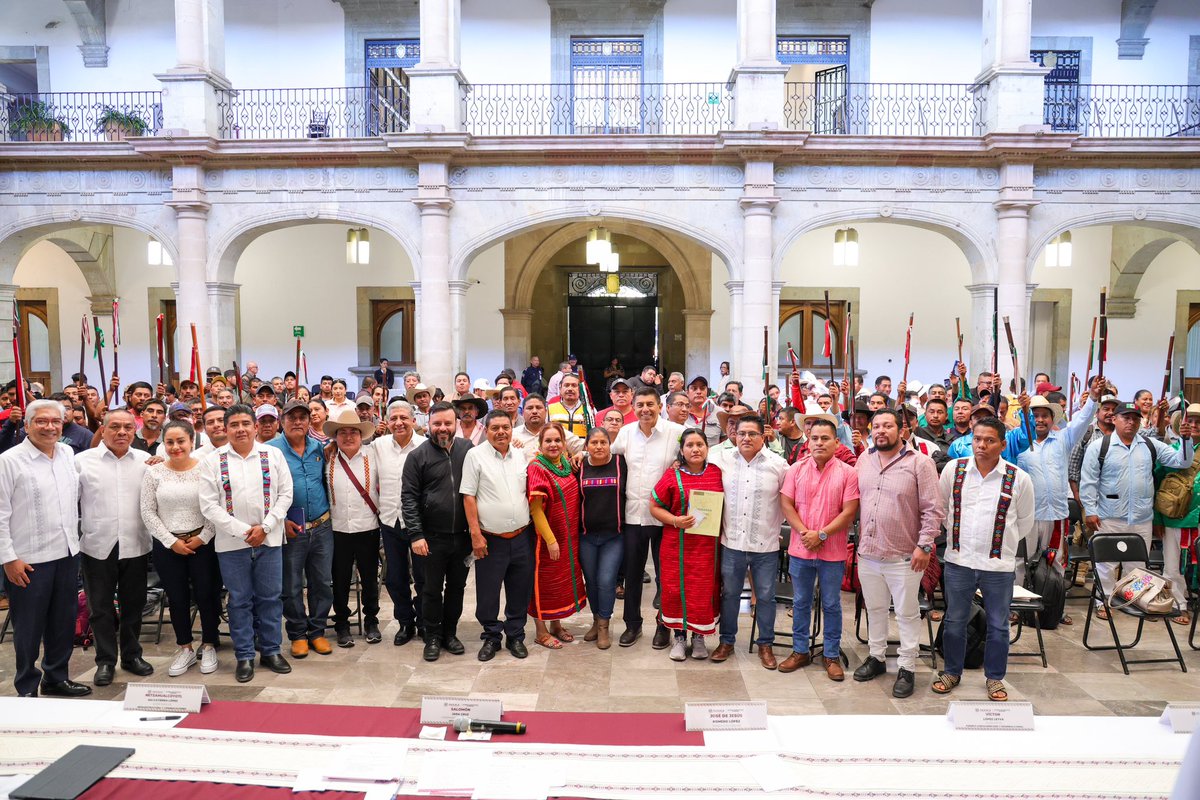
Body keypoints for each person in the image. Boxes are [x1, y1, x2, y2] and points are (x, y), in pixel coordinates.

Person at [932, 417, 1035, 703]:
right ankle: (952, 671)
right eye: (977, 439)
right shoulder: (955, 470)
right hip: (959, 562)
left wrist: (1001, 546)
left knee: (999, 625)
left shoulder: (1018, 478)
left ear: (1003, 444)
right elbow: (942, 510)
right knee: (955, 620)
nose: (981, 445)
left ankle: (994, 678)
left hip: (998, 567)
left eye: (989, 440)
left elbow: (1024, 522)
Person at [198, 404, 294, 683]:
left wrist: (265, 527)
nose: (240, 429)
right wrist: (244, 531)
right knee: (239, 601)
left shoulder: (272, 454)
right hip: (231, 543)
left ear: (255, 427)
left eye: (245, 424)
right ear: (225, 429)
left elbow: (286, 494)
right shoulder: (213, 461)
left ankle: (271, 650)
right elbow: (209, 505)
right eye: (234, 424)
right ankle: (244, 655)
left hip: (270, 538)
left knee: (271, 598)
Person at [0, 400, 91, 697]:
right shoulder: (10, 461)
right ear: (27, 425)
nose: (49, 426)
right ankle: (26, 685)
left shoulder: (67, 453)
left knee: (62, 622)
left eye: (55, 421)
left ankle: (56, 677)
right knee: (28, 627)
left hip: (66, 553)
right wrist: (8, 558)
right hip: (28, 559)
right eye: (41, 421)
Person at [853, 408, 945, 698]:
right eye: (876, 426)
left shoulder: (921, 463)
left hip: (905, 555)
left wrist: (925, 545)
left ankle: (907, 666)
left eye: (888, 426)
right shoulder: (863, 460)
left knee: (906, 613)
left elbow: (934, 509)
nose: (881, 430)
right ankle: (877, 657)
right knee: (876, 608)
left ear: (902, 431)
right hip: (868, 553)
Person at [1080, 400, 1194, 620]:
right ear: (1115, 419)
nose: (1131, 422)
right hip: (1109, 515)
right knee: (1106, 563)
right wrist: (1091, 510)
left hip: (1141, 517)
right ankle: (1103, 601)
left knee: (1138, 564)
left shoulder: (1150, 445)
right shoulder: (1100, 447)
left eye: (1135, 418)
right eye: (1126, 417)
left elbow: (1182, 462)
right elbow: (1089, 481)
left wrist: (1186, 440)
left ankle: (1135, 600)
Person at [75, 408, 154, 686]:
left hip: (136, 542)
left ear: (135, 431)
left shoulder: (146, 461)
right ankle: (105, 661)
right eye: (115, 427)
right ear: (103, 429)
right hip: (97, 545)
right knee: (100, 608)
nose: (122, 432)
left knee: (135, 605)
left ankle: (132, 656)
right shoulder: (82, 462)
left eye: (128, 428)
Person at [778, 417, 860, 680]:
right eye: (814, 438)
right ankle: (800, 650)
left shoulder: (848, 473)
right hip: (801, 550)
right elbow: (787, 504)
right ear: (808, 440)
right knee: (801, 602)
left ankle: (831, 654)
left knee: (832, 604)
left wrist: (822, 534)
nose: (819, 443)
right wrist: (804, 532)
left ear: (837, 442)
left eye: (825, 438)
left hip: (832, 553)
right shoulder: (796, 469)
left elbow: (849, 512)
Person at [141, 420, 222, 678]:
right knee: (176, 599)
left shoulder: (206, 470)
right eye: (170, 442)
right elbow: (147, 512)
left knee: (207, 595)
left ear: (191, 442)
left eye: (181, 441)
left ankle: (208, 643)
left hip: (203, 543)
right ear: (164, 444)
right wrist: (170, 541)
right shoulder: (154, 473)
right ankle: (185, 647)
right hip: (168, 545)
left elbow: (214, 507)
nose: (176, 447)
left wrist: (203, 537)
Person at [709, 414, 788, 669]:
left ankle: (765, 644)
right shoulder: (720, 460)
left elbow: (789, 502)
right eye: (741, 433)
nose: (745, 438)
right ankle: (727, 641)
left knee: (765, 596)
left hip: (765, 544)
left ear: (763, 436)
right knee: (730, 594)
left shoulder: (779, 465)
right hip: (731, 542)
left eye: (752, 433)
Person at [611, 388, 685, 647]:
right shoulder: (626, 433)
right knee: (632, 574)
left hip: (665, 517)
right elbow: (607, 457)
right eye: (640, 404)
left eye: (650, 404)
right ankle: (633, 625)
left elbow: (692, 459)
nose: (645, 409)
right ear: (634, 405)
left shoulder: (675, 433)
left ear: (659, 406)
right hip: (633, 515)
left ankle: (663, 625)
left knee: (666, 575)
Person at [402, 402, 473, 661]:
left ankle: (450, 634)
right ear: (428, 424)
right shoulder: (417, 456)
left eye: (447, 423)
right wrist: (416, 535)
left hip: (462, 537)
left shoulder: (468, 450)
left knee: (457, 588)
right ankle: (432, 637)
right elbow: (408, 498)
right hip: (431, 538)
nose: (442, 428)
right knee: (431, 590)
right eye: (437, 424)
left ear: (456, 424)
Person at [1015, 384, 1098, 597]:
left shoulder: (1063, 440)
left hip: (1057, 516)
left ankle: (1055, 606)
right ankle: (1019, 605)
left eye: (1045, 416)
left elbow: (1083, 419)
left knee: (1057, 561)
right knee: (1021, 563)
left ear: (1053, 419)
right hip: (1029, 517)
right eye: (1035, 416)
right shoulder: (1020, 446)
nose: (1040, 420)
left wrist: (1094, 398)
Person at [462, 410, 533, 661]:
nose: (501, 432)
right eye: (495, 428)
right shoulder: (475, 455)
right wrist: (475, 535)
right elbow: (468, 496)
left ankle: (515, 635)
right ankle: (492, 636)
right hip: (490, 539)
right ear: (487, 429)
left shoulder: (520, 455)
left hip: (522, 537)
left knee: (519, 590)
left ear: (512, 427)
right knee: (488, 592)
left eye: (506, 427)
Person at [267, 400, 334, 659]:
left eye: (302, 417)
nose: (298, 422)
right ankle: (297, 634)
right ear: (282, 421)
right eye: (292, 417)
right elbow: (265, 492)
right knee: (291, 585)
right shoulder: (271, 450)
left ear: (309, 421)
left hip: (322, 526)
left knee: (321, 582)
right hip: (290, 529)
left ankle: (317, 631)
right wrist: (279, 521)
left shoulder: (319, 448)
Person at [651, 428, 722, 661]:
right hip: (676, 546)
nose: (695, 449)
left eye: (700, 444)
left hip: (707, 548)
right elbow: (654, 506)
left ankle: (699, 637)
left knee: (702, 591)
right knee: (676, 591)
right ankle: (680, 638)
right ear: (681, 450)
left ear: (707, 448)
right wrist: (674, 520)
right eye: (690, 445)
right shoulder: (672, 476)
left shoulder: (716, 473)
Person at [323, 409, 382, 647]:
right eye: (342, 432)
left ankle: (372, 621)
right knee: (340, 579)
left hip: (367, 527)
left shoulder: (373, 455)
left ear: (361, 435)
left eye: (353, 432)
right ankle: (342, 624)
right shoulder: (327, 458)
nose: (348, 437)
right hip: (337, 528)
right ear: (335, 436)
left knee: (369, 577)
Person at [527, 422, 587, 647]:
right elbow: (535, 510)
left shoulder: (564, 463)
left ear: (564, 443)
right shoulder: (537, 467)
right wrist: (551, 541)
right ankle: (541, 631)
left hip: (568, 537)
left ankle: (556, 625)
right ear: (540, 444)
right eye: (548, 441)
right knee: (543, 584)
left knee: (560, 584)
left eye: (557, 440)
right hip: (547, 540)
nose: (553, 445)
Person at [373, 400, 427, 646]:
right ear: (387, 422)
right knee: (395, 577)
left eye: (403, 418)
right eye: (393, 418)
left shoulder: (426, 446)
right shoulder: (378, 446)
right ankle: (405, 621)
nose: (399, 422)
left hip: (420, 524)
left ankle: (425, 620)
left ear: (413, 420)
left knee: (425, 577)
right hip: (389, 520)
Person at [577, 427, 626, 650]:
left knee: (607, 581)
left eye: (602, 442)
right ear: (586, 446)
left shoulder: (620, 463)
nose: (598, 446)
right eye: (593, 443)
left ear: (609, 444)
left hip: (613, 536)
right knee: (592, 582)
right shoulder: (578, 466)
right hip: (586, 536)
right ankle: (596, 620)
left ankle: (605, 624)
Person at [1157, 404, 1200, 625]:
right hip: (1175, 518)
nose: (1193, 426)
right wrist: (1157, 519)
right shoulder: (1171, 450)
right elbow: (1157, 483)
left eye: (1198, 422)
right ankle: (1177, 605)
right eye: (1189, 422)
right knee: (1173, 566)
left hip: (1198, 521)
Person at [513, 393, 583, 463]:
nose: (534, 411)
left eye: (538, 408)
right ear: (522, 413)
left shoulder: (558, 431)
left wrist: (582, 453)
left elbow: (583, 447)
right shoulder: (513, 434)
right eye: (530, 408)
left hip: (554, 473)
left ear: (546, 412)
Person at [548, 374, 591, 438]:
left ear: (580, 389)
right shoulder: (549, 409)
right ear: (560, 389)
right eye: (566, 385)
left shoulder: (589, 410)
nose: (570, 389)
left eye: (574, 385)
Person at [684, 377, 722, 445]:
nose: (699, 392)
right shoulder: (681, 413)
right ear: (687, 393)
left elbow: (725, 440)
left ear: (707, 391)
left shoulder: (720, 413)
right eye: (694, 388)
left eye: (702, 388)